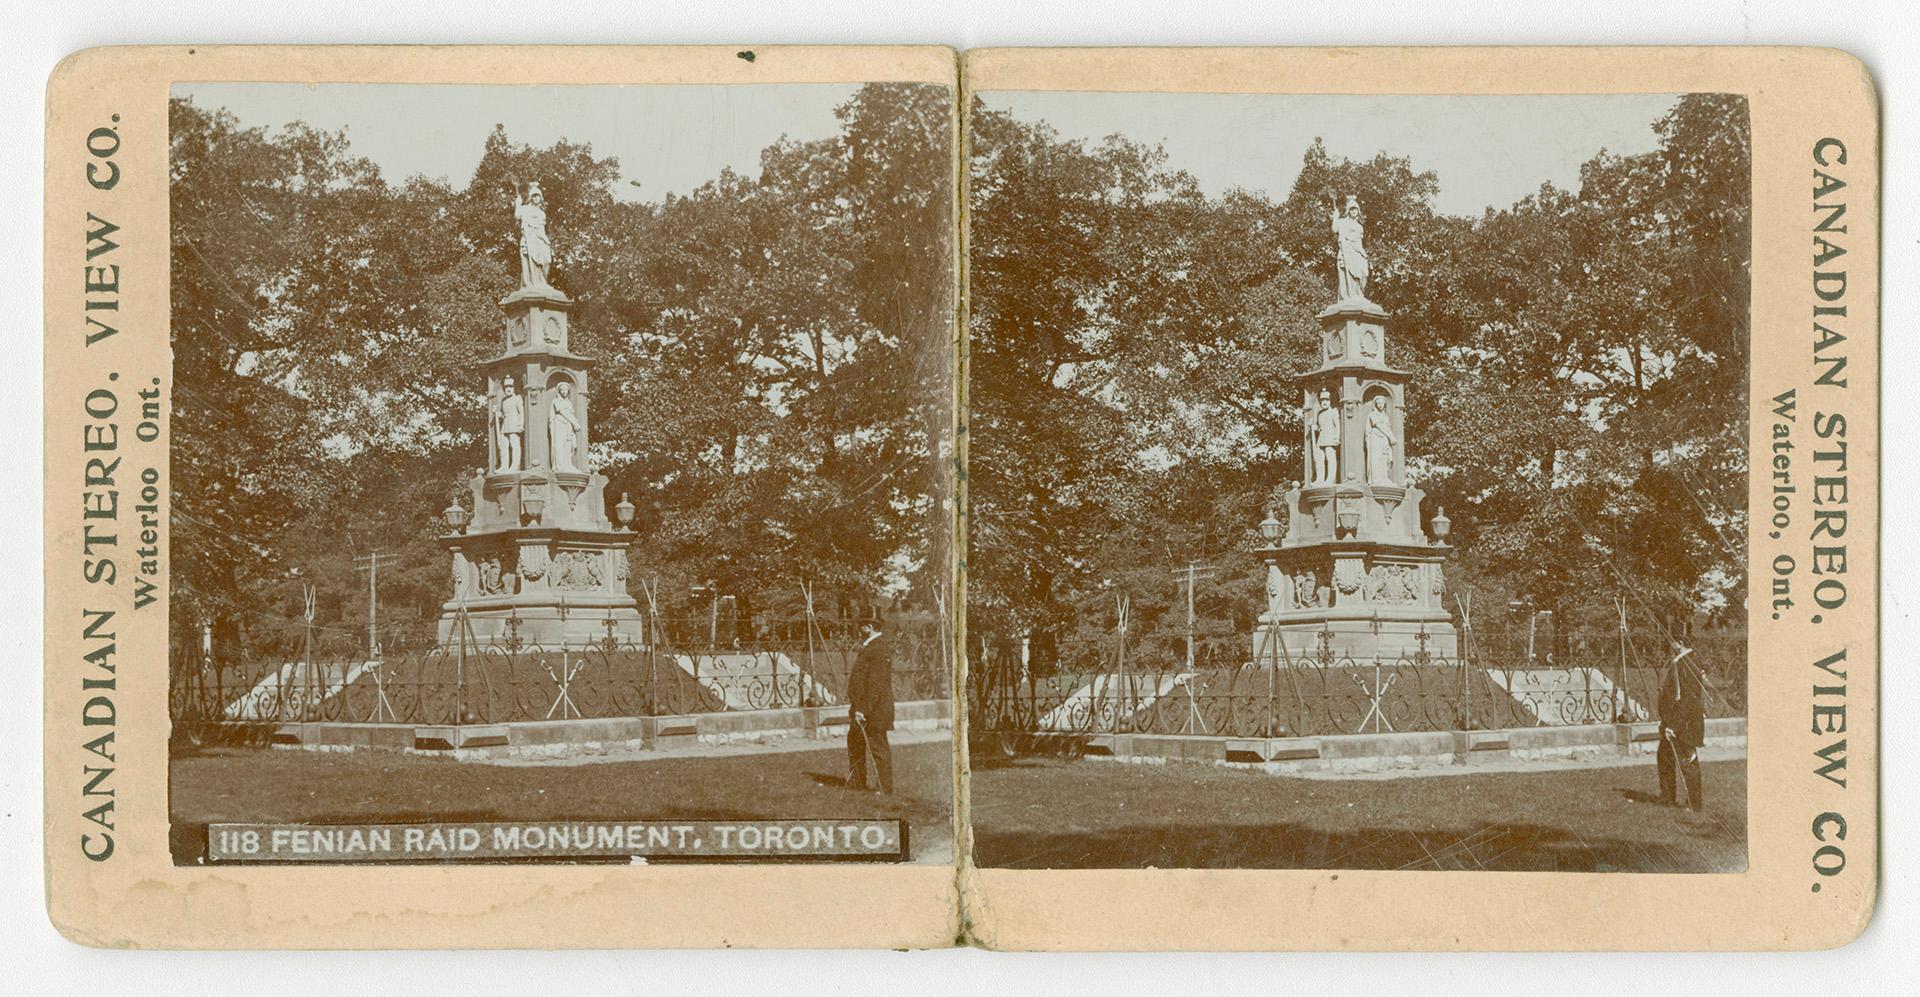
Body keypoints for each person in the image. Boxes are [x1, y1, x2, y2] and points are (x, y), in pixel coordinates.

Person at [846, 619, 896, 794]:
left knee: (878, 747)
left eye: (862, 626)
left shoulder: (878, 648)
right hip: (862, 706)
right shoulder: (872, 646)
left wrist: (862, 710)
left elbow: (876, 683)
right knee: (854, 742)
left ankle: (884, 789)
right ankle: (857, 782)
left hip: (872, 709)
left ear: (870, 628)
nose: (859, 629)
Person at [1657, 644, 1706, 810]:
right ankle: (1668, 798)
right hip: (1674, 723)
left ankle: (1693, 805)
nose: (1670, 645)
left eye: (1673, 641)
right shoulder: (1681, 661)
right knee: (1665, 758)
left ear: (1679, 642)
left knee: (1687, 762)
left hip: (1684, 724)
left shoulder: (1688, 663)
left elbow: (1688, 700)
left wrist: (1674, 726)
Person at [1327, 193, 1370, 303]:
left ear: (1358, 211)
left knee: (1364, 273)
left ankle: (1359, 295)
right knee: (1350, 275)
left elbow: (1359, 243)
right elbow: (1335, 229)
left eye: (1355, 209)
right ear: (1348, 211)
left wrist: (1364, 254)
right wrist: (1335, 217)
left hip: (1357, 252)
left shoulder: (1360, 227)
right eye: (1351, 209)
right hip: (1347, 251)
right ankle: (1351, 297)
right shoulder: (1343, 222)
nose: (1353, 211)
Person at [511, 181, 552, 290]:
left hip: (540, 238)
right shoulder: (525, 209)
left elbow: (542, 229)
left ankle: (542, 282)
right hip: (529, 238)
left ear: (541, 197)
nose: (536, 198)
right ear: (531, 198)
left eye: (538, 196)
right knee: (532, 262)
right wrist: (518, 203)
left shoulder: (542, 213)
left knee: (547, 260)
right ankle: (535, 283)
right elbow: (517, 216)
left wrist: (545, 240)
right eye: (534, 196)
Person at [548, 380, 582, 473]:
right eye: (561, 390)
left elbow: (570, 413)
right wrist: (575, 423)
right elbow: (562, 412)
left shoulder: (569, 402)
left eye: (565, 389)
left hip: (568, 425)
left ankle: (568, 464)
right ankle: (559, 466)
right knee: (559, 445)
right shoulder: (556, 401)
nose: (563, 391)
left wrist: (573, 423)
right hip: (559, 424)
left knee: (569, 445)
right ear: (559, 391)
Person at [494, 375, 524, 472]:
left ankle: (515, 465)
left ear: (514, 388)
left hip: (514, 424)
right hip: (505, 424)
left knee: (514, 444)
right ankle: (504, 466)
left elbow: (521, 412)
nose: (508, 389)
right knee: (504, 445)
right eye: (506, 387)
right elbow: (504, 414)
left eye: (510, 387)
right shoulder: (504, 401)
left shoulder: (517, 398)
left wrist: (521, 424)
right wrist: (499, 414)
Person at [1365, 394, 1395, 484]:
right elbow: (1379, 425)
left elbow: (1387, 427)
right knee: (1376, 458)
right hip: (1375, 438)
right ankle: (1376, 479)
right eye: (1378, 403)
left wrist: (1389, 437)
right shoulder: (1372, 414)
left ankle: (1384, 478)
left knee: (1385, 458)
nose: (1380, 405)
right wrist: (1391, 436)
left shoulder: (1385, 416)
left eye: (1382, 403)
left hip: (1384, 439)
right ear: (1375, 404)